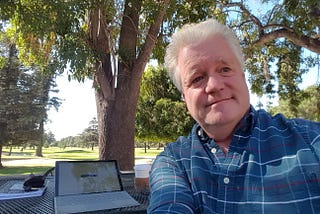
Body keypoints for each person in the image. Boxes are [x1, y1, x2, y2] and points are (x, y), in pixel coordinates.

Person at [147, 19, 320, 213]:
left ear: (243, 76)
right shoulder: (173, 162)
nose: (214, 85)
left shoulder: (311, 139)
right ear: (184, 97)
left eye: (225, 69)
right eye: (197, 78)